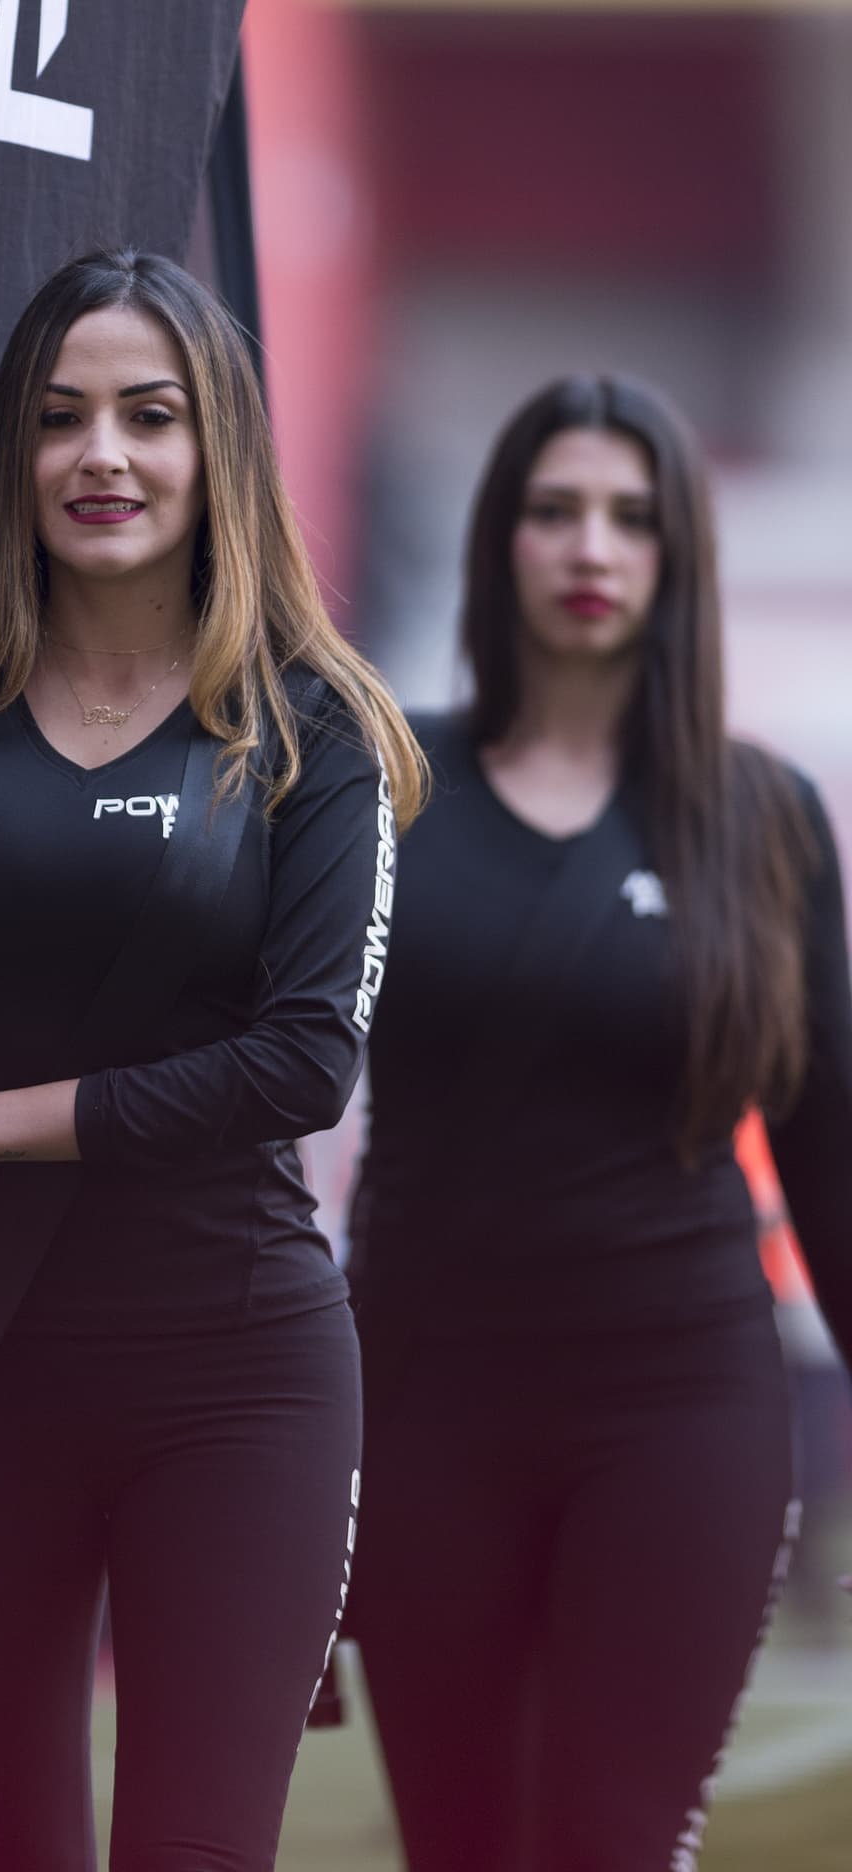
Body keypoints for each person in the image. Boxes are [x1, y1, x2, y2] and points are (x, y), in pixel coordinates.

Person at [0, 247, 425, 1871]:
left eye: (148, 416)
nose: (101, 455)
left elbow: (298, 1070)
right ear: (11, 456)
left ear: (218, 449)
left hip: (236, 1376)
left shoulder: (308, 725)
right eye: (58, 418)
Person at [347, 374, 852, 1872]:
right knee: (463, 1844)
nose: (594, 545)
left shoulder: (761, 818)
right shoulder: (382, 786)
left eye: (633, 518)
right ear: (500, 540)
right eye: (556, 509)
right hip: (424, 1400)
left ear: (677, 558)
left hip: (678, 1403)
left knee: (611, 1839)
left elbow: (829, 1140)